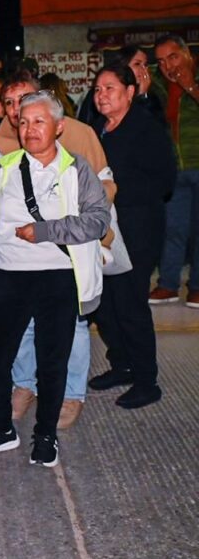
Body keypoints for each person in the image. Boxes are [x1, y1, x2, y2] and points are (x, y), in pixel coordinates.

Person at [0, 91, 109, 467]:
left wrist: (45, 231)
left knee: (52, 361)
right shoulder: (5, 167)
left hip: (58, 278)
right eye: (24, 122)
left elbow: (98, 221)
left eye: (39, 121)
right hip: (8, 276)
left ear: (58, 127)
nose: (29, 129)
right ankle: (1, 429)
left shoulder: (76, 169)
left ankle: (45, 435)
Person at [0, 70, 111, 427]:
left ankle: (71, 394)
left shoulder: (79, 134)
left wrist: (65, 231)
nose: (19, 110)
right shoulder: (1, 140)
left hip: (66, 256)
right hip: (19, 263)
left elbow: (105, 190)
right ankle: (24, 385)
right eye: (11, 104)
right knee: (25, 327)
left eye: (26, 99)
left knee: (72, 327)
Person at [89, 65, 177, 409]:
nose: (101, 96)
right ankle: (122, 364)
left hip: (137, 228)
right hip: (105, 229)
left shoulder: (145, 128)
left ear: (129, 92)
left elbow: (165, 181)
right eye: (97, 89)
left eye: (109, 88)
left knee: (129, 305)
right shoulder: (99, 129)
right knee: (106, 305)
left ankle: (145, 380)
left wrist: (115, 192)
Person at [148, 35, 199, 308]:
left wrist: (190, 86)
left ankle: (197, 287)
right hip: (173, 170)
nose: (168, 66)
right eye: (161, 61)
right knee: (173, 229)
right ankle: (168, 284)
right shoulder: (158, 85)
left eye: (173, 57)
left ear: (187, 53)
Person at [78, 46, 163, 128]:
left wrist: (143, 96)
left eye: (145, 65)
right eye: (137, 64)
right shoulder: (99, 93)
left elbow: (152, 125)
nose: (143, 70)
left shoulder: (152, 97)